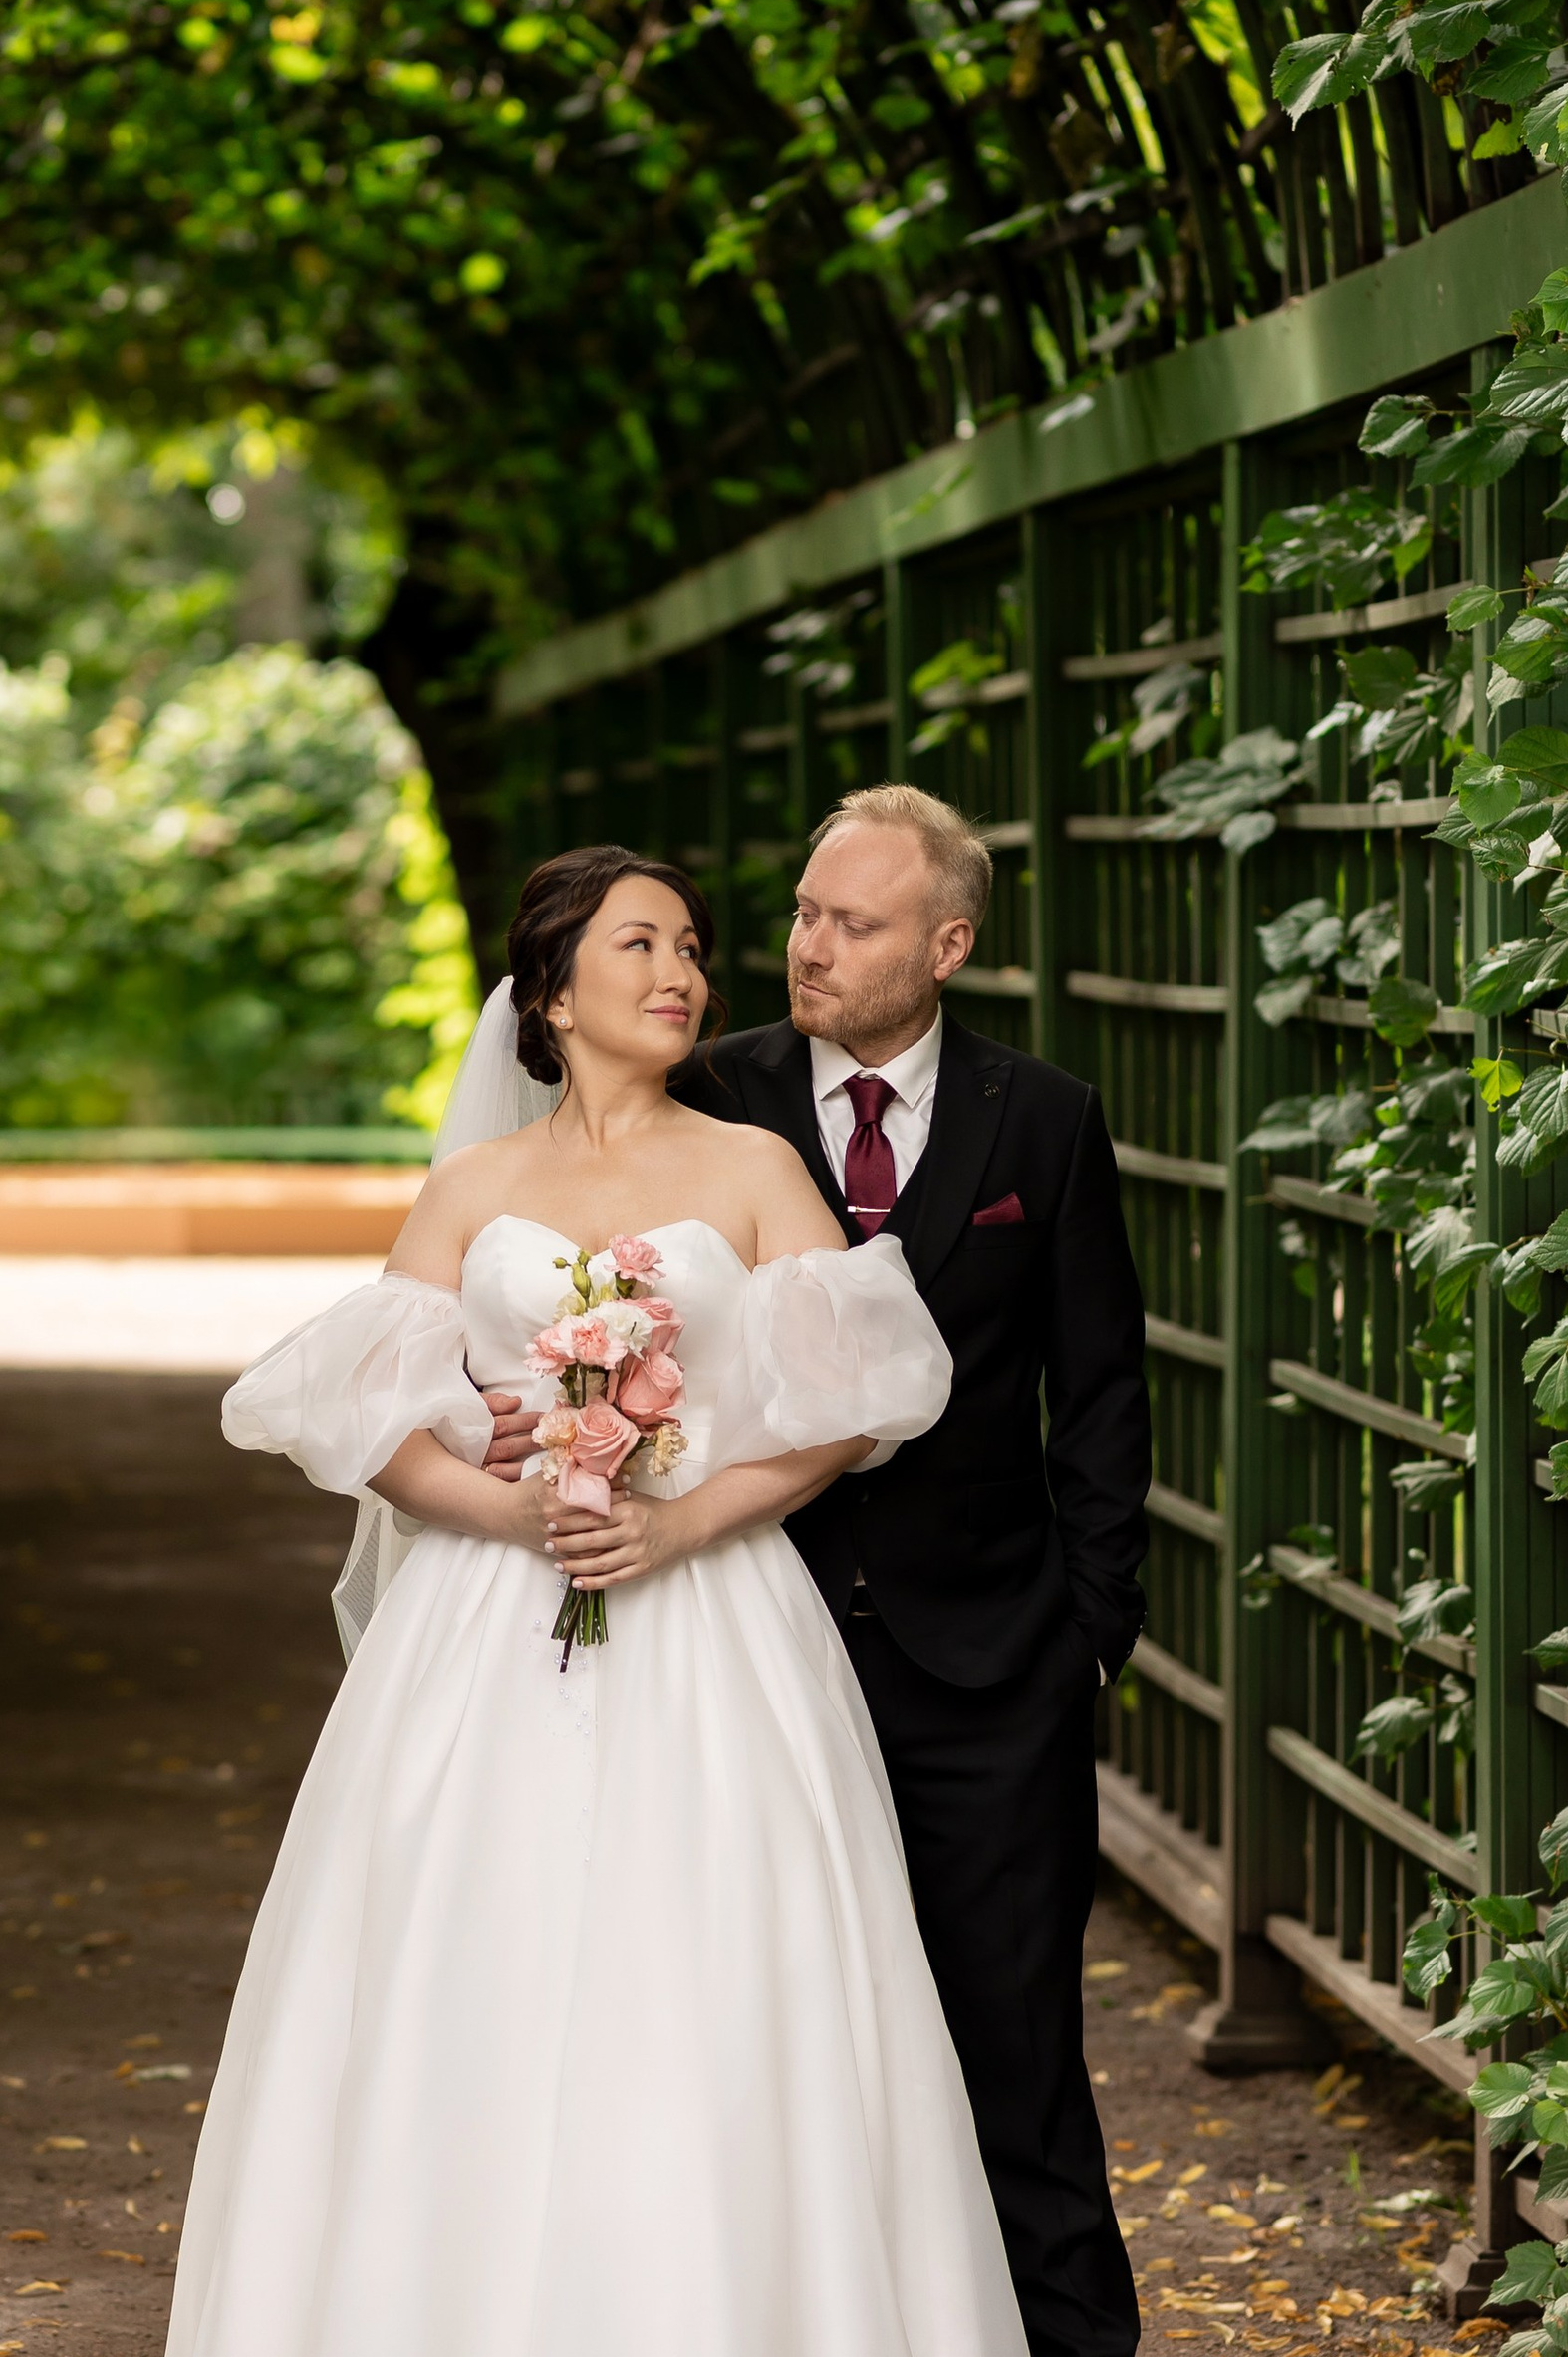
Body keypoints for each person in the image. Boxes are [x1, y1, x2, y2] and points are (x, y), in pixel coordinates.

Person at [173, 845, 1028, 2357]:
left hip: (715, 1622)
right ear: (552, 992)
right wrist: (503, 1502)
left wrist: (684, 1515)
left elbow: (862, 1399)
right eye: (639, 946)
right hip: (485, 1629)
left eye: (692, 945)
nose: (681, 973)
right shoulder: (474, 1188)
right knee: (466, 1965)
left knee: (719, 1980)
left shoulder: (756, 1169)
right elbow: (361, 1420)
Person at [482, 785, 1151, 2357]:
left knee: (1016, 2057)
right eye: (796, 913)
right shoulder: (704, 1087)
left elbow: (1100, 1390)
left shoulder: (1041, 1118)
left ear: (948, 942)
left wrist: (1089, 1637)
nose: (805, 946)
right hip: (736, 1654)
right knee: (763, 2050)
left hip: (988, 1670)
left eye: (849, 922)